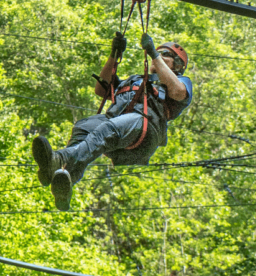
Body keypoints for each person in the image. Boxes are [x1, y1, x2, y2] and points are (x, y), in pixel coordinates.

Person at [32, 32, 193, 211]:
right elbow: (102, 89)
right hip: (119, 125)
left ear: (178, 65)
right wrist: (114, 54)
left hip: (145, 128)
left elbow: (178, 92)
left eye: (165, 54)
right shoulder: (135, 80)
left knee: (108, 128)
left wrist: (153, 53)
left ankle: (59, 159)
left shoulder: (182, 81)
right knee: (83, 126)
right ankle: (65, 178)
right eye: (158, 52)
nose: (159, 56)